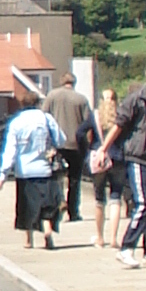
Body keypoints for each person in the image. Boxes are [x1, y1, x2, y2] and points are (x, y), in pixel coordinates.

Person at [94, 62, 146, 268]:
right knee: (145, 204)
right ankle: (127, 247)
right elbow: (118, 126)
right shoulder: (135, 101)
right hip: (138, 159)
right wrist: (103, 149)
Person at [0, 98, 66, 249]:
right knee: (47, 204)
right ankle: (47, 231)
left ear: (22, 105)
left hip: (24, 171)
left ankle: (29, 240)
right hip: (44, 169)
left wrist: (3, 174)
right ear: (37, 103)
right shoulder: (46, 118)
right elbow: (61, 140)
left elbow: (10, 150)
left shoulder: (16, 122)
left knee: (27, 206)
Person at [44, 72, 96, 223]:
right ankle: (74, 211)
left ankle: (57, 204)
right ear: (74, 82)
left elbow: (44, 116)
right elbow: (89, 123)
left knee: (55, 177)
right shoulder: (81, 99)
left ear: (61, 82)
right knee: (75, 180)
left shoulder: (52, 96)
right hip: (76, 144)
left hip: (56, 144)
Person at [89, 87, 126, 252]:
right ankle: (113, 238)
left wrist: (92, 148)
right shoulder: (121, 116)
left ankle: (100, 236)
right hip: (117, 158)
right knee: (116, 197)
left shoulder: (95, 116)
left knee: (99, 199)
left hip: (99, 159)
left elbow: (80, 132)